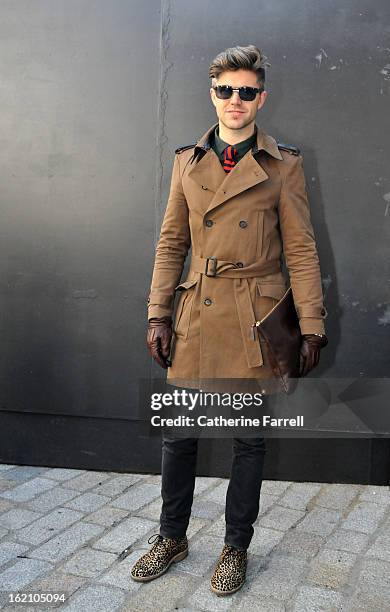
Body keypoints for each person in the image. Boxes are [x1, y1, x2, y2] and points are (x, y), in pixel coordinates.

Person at [131, 44, 328, 596]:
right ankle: (172, 537)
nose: (235, 100)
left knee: (248, 439)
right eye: (225, 90)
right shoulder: (187, 161)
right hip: (197, 308)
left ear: (261, 97)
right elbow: (172, 242)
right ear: (212, 94)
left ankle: (234, 547)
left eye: (246, 91)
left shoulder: (283, 164)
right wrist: (158, 313)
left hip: (252, 313)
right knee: (179, 434)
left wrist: (311, 323)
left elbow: (303, 249)